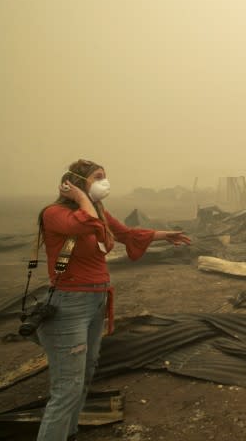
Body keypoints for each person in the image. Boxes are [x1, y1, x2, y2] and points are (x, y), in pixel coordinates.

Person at [32, 159, 191, 441]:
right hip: (69, 306)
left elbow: (125, 234)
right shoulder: (55, 213)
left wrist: (164, 235)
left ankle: (67, 434)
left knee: (86, 374)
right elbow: (84, 224)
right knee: (67, 387)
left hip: (96, 302)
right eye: (98, 177)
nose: (105, 182)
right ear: (77, 183)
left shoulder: (98, 213)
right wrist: (80, 197)